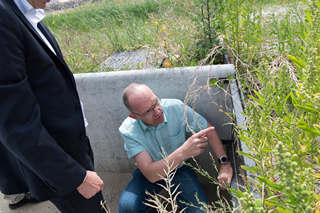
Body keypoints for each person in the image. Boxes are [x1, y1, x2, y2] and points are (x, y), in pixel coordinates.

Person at [0, 0, 105, 212]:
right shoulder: (3, 21)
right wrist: (74, 176)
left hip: (71, 145)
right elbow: (15, 125)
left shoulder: (25, 12)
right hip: (59, 158)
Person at [118, 83, 233, 212]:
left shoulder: (175, 107)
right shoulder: (128, 130)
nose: (157, 111)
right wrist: (183, 152)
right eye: (148, 111)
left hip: (180, 169)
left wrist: (224, 164)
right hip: (150, 173)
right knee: (127, 207)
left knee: (199, 210)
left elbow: (209, 130)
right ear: (135, 117)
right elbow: (151, 174)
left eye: (155, 103)